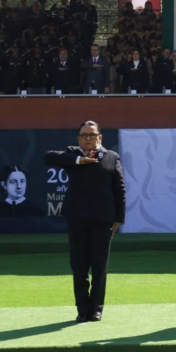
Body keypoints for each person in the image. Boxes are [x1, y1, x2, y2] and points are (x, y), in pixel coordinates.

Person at [43, 121, 126, 322]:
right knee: (79, 267)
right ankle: (82, 309)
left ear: (100, 137)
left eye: (92, 134)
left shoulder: (111, 157)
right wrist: (79, 160)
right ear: (79, 138)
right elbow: (48, 157)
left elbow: (119, 190)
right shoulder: (73, 154)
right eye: (84, 135)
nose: (88, 138)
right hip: (77, 218)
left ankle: (96, 308)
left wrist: (118, 219)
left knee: (99, 267)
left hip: (103, 220)